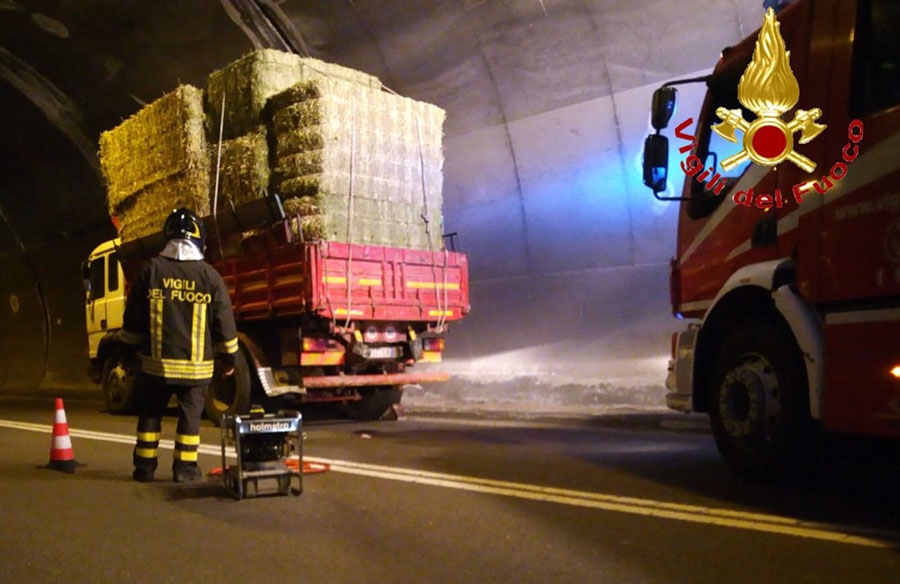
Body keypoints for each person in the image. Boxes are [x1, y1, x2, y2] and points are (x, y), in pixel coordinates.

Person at [118, 208, 239, 483]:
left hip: (155, 367)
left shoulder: (151, 270)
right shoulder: (210, 277)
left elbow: (133, 317)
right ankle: (184, 470)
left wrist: (128, 350)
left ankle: (144, 468)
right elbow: (224, 322)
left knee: (150, 416)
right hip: (195, 372)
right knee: (189, 420)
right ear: (199, 239)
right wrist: (229, 359)